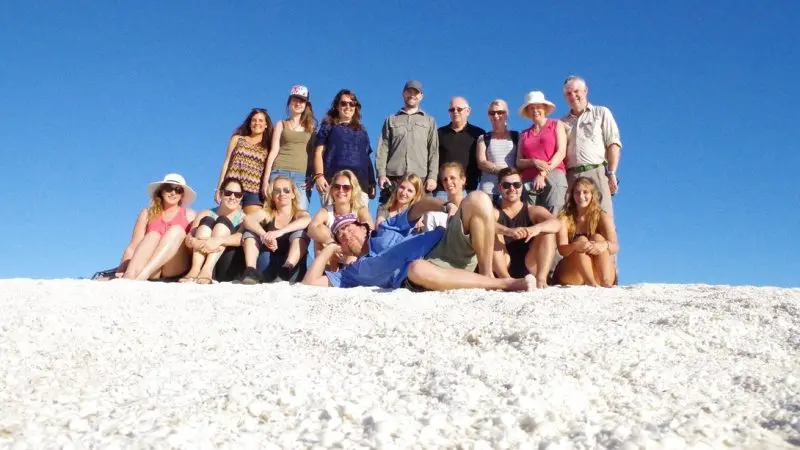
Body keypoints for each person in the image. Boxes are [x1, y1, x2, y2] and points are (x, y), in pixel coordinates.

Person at [302, 192, 536, 291]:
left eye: (349, 228)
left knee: (477, 199)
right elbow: (310, 284)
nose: (346, 235)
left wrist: (446, 206)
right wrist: (329, 247)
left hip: (445, 244)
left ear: (362, 226)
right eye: (341, 235)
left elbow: (419, 206)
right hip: (424, 271)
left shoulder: (385, 229)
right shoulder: (350, 273)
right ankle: (502, 285)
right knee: (416, 268)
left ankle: (488, 275)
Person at [113, 173, 197, 281]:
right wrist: (121, 268)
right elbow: (134, 244)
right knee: (153, 235)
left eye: (178, 190)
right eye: (168, 188)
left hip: (174, 267)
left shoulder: (189, 214)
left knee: (177, 231)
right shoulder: (147, 214)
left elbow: (192, 248)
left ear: (182, 195)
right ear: (161, 191)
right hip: (154, 272)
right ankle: (130, 276)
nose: (173, 192)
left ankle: (143, 275)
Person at [561, 76, 622, 216]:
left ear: (585, 91)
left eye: (577, 91)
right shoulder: (562, 122)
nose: (573, 96)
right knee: (572, 221)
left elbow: (613, 143)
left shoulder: (601, 113)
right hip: (571, 176)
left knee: (603, 216)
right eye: (569, 93)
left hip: (596, 171)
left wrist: (612, 173)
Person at [492, 168, 561, 288]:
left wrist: (535, 229)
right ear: (500, 188)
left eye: (517, 185)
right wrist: (508, 231)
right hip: (503, 265)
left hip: (529, 266)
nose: (512, 189)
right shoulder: (493, 211)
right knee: (490, 229)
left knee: (548, 232)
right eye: (506, 185)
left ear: (521, 187)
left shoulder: (532, 210)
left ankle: (541, 280)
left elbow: (556, 224)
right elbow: (482, 224)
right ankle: (506, 280)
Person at [238, 176, 311, 284]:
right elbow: (248, 220)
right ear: (272, 195)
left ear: (293, 194)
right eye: (277, 190)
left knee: (301, 233)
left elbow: (307, 219)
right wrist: (264, 235)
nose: (282, 194)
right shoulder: (268, 213)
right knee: (250, 232)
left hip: (292, 267)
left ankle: (286, 269)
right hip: (269, 262)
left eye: (286, 190)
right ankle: (250, 270)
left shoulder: (298, 213)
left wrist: (279, 232)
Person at [312, 89, 376, 206]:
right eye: (343, 103)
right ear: (337, 106)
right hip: (333, 183)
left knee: (358, 222)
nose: (348, 106)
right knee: (332, 222)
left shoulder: (362, 131)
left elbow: (367, 159)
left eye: (352, 104)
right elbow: (318, 153)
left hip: (360, 186)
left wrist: (372, 182)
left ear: (356, 107)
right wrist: (319, 176)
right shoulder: (328, 126)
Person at [376, 80, 439, 198]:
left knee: (422, 214)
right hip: (394, 177)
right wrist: (381, 174)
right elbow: (383, 149)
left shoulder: (429, 121)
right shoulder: (391, 120)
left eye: (416, 92)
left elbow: (434, 152)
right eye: (409, 91)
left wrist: (432, 177)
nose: (412, 95)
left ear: (421, 96)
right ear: (403, 94)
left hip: (421, 178)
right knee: (387, 213)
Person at [554, 177, 618, 287]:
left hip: (598, 270)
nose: (581, 196)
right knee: (581, 240)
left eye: (585, 192)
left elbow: (615, 246)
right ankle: (591, 283)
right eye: (577, 193)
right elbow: (562, 250)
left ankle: (605, 281)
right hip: (574, 272)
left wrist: (603, 245)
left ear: (592, 194)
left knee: (598, 238)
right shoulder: (565, 218)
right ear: (572, 195)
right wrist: (575, 246)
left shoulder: (602, 216)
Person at [180, 178, 246, 284]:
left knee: (222, 221)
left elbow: (241, 238)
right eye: (228, 193)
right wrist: (195, 242)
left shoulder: (243, 217)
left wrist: (218, 240)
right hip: (202, 259)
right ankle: (195, 269)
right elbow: (189, 238)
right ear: (221, 194)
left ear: (241, 197)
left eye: (237, 195)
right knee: (207, 220)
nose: (232, 197)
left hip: (227, 265)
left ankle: (207, 269)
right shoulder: (205, 213)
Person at [264, 84, 316, 211]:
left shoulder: (312, 128)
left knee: (300, 213)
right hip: (279, 172)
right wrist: (265, 180)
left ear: (306, 105)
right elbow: (274, 151)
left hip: (301, 177)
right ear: (290, 102)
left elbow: (313, 155)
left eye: (302, 101)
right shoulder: (281, 124)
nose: (298, 103)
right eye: (295, 99)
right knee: (274, 213)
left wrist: (312, 177)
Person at [307, 169, 374, 266]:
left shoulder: (360, 210)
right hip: (334, 256)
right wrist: (333, 244)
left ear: (353, 190)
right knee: (319, 233)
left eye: (346, 187)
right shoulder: (326, 211)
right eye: (337, 187)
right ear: (332, 189)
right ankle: (327, 274)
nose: (341, 190)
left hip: (355, 254)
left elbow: (370, 230)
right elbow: (311, 229)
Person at [516, 91, 567, 213]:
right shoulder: (524, 134)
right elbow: (518, 161)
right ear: (528, 112)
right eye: (531, 108)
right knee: (530, 217)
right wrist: (534, 162)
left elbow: (561, 152)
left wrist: (543, 173)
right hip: (529, 180)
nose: (535, 111)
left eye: (538, 107)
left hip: (554, 175)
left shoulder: (556, 124)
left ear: (545, 108)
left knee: (553, 215)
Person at [215, 108, 274, 215]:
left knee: (250, 225)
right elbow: (226, 162)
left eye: (261, 120)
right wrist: (219, 187)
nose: (257, 123)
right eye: (254, 120)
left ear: (266, 125)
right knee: (227, 223)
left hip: (254, 191)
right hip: (232, 188)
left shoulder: (268, 146)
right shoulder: (237, 139)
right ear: (250, 123)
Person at [435, 96, 485, 199]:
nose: (455, 112)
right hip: (442, 191)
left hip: (468, 190)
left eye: (459, 109)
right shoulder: (439, 133)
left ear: (468, 111)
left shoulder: (478, 134)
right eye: (452, 109)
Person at [476, 99, 518, 196]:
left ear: (506, 114)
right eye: (492, 113)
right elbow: (481, 162)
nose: (496, 116)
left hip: (511, 191)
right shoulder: (483, 138)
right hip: (488, 191)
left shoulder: (516, 137)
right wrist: (504, 172)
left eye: (500, 112)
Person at [421, 162, 467, 231]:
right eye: (445, 179)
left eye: (452, 178)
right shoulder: (438, 211)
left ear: (463, 180)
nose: (448, 182)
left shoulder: (470, 207)